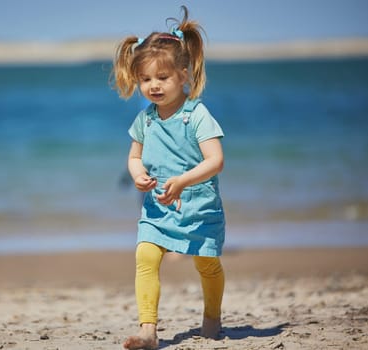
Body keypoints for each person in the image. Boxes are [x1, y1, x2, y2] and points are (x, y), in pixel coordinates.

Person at [111, 6, 226, 349]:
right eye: (145, 80)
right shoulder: (145, 120)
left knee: (207, 265)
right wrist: (138, 174)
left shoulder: (197, 115)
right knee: (145, 255)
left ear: (184, 74)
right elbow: (133, 156)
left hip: (199, 206)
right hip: (158, 208)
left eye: (162, 78)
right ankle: (148, 330)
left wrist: (183, 181)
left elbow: (216, 161)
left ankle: (212, 318)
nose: (153, 86)